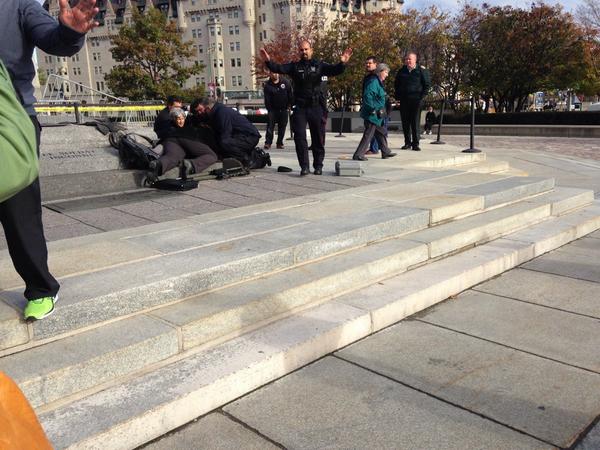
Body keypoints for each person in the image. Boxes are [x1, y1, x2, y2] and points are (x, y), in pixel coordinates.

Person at [0, 0, 98, 321]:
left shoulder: (18, 6)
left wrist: (70, 31)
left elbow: (52, 39)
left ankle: (41, 288)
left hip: (11, 122)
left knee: (19, 211)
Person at [261, 40, 352, 176]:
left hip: (316, 106)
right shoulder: (294, 67)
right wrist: (268, 61)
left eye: (306, 49)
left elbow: (335, 70)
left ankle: (318, 165)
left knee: (318, 138)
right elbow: (279, 68)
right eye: (301, 50)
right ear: (299, 51)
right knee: (300, 138)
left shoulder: (319, 65)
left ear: (311, 50)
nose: (304, 52)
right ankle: (304, 166)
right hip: (300, 108)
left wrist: (343, 63)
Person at [149, 108, 218, 177]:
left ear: (185, 118)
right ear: (173, 119)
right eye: (178, 119)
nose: (181, 121)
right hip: (187, 139)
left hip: (172, 140)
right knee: (212, 156)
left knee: (173, 157)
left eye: (182, 119)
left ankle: (158, 164)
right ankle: (191, 164)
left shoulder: (168, 126)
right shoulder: (190, 125)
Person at [193, 97, 261, 166]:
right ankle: (245, 154)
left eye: (200, 110)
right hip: (242, 136)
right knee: (220, 142)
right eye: (197, 112)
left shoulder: (221, 112)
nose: (199, 113)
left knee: (224, 142)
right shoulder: (215, 112)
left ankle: (249, 160)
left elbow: (225, 134)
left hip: (250, 137)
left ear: (208, 108)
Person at [352, 63, 397, 161]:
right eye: (386, 72)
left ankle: (385, 151)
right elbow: (367, 96)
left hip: (377, 115)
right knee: (368, 134)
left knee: (381, 132)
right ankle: (358, 154)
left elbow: (380, 96)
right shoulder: (373, 82)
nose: (387, 75)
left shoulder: (378, 82)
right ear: (380, 72)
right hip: (372, 115)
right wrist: (372, 109)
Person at [394, 51, 431, 151]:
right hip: (404, 101)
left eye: (410, 59)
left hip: (416, 101)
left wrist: (422, 98)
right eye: (406, 59)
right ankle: (407, 143)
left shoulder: (421, 71)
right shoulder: (402, 71)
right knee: (405, 122)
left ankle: (416, 143)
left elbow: (427, 85)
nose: (408, 61)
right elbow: (396, 85)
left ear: (415, 60)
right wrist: (397, 98)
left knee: (415, 122)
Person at [263, 71, 292, 150]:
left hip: (283, 109)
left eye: (276, 73)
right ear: (270, 74)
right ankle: (268, 143)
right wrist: (269, 109)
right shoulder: (268, 85)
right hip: (272, 110)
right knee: (270, 127)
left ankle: (279, 143)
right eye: (273, 73)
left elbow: (290, 93)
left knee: (282, 127)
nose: (275, 75)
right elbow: (267, 99)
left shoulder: (285, 82)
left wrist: (289, 104)